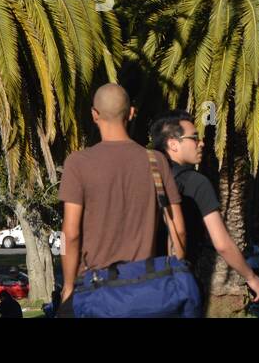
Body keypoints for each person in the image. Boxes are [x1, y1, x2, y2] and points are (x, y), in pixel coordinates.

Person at [57, 83, 187, 317]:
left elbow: (70, 234)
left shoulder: (78, 163)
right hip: (148, 291)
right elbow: (179, 228)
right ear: (131, 113)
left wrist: (68, 284)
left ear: (94, 115)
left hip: (98, 293)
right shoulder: (156, 161)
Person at [149, 110, 259, 304]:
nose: (201, 143)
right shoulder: (196, 183)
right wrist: (251, 277)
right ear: (173, 144)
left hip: (140, 283)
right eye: (194, 138)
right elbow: (221, 243)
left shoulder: (146, 179)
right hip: (177, 283)